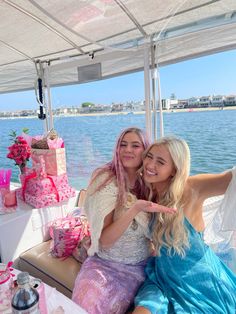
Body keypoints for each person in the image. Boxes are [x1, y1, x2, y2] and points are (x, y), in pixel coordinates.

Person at [72, 127, 176, 314]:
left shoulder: (151, 183)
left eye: (135, 146)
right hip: (104, 263)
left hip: (138, 267)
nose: (127, 150)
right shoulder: (105, 180)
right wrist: (134, 209)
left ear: (145, 151)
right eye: (123, 144)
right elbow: (105, 241)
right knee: (84, 306)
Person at [133, 136, 236, 314]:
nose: (150, 165)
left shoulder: (191, 188)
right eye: (149, 156)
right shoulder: (148, 192)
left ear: (174, 170)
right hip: (162, 276)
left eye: (160, 161)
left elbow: (230, 178)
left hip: (198, 280)